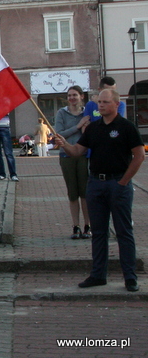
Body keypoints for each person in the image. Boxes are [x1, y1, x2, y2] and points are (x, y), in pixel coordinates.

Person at [55, 89, 144, 292]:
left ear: (115, 104)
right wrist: (64, 145)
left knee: (123, 232)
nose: (100, 105)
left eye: (105, 102)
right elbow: (78, 151)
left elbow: (139, 156)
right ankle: (98, 275)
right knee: (98, 233)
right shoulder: (93, 128)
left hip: (117, 184)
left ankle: (130, 277)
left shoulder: (126, 127)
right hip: (95, 183)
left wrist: (123, 181)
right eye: (99, 102)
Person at [55, 85, 91, 239]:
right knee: (72, 193)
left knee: (85, 193)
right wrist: (77, 126)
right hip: (66, 156)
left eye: (75, 95)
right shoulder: (62, 113)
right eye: (69, 95)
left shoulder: (87, 114)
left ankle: (87, 226)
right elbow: (60, 134)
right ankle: (75, 225)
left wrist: (85, 126)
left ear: (81, 96)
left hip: (83, 156)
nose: (72, 98)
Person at [0, 114, 18, 181]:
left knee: (8, 153)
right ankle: (1, 174)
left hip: (4, 127)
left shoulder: (3, 103)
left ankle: (13, 174)